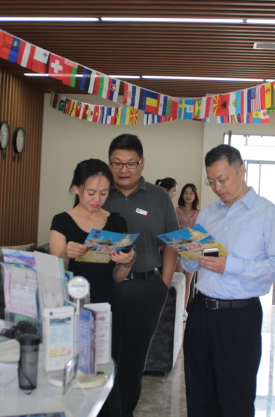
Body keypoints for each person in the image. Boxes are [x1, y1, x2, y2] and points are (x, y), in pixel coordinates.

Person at [180, 144, 275, 417]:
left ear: (242, 170)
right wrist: (188, 253)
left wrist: (231, 265)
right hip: (201, 312)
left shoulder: (267, 214)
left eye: (223, 179)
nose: (217, 187)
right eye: (211, 181)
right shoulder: (208, 213)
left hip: (239, 316)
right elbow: (191, 264)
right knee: (199, 395)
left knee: (235, 400)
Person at [49, 158, 135, 417]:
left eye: (104, 193)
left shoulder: (116, 223)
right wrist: (65, 253)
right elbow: (56, 274)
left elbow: (118, 276)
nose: (97, 199)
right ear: (77, 189)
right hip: (72, 309)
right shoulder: (62, 221)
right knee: (73, 373)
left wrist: (128, 261)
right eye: (91, 192)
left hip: (106, 308)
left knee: (105, 372)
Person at [103, 134, 179, 417]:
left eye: (131, 163)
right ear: (109, 163)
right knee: (103, 358)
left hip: (147, 288)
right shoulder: (99, 192)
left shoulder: (159, 197)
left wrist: (164, 284)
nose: (124, 169)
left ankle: (125, 412)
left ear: (142, 163)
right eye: (117, 163)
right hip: (105, 289)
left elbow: (172, 242)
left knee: (134, 363)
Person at [175, 183, 201, 312]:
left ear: (195, 195)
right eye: (186, 192)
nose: (188, 195)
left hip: (193, 251)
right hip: (179, 250)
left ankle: (183, 311)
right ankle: (176, 310)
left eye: (191, 193)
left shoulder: (200, 213)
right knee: (178, 281)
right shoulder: (177, 210)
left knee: (187, 283)